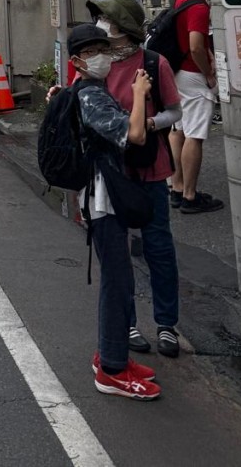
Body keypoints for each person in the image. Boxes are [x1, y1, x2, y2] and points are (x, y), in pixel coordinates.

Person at [67, 21, 161, 400]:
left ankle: (113, 354)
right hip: (101, 198)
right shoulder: (90, 95)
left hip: (104, 194)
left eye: (102, 48)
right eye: (92, 52)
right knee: (117, 281)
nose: (102, 56)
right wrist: (139, 93)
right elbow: (134, 134)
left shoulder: (90, 88)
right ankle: (111, 369)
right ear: (77, 61)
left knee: (119, 280)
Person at [89, 0, 183, 360]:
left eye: (108, 21)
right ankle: (125, 321)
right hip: (111, 172)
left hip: (151, 167)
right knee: (117, 251)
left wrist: (149, 122)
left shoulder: (153, 63)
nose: (102, 28)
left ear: (124, 29)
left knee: (159, 246)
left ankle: (166, 325)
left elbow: (175, 112)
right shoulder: (96, 64)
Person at [168, 0, 223, 214]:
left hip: (176, 71)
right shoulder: (199, 7)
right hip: (192, 74)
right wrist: (209, 73)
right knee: (195, 135)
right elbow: (196, 46)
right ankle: (190, 195)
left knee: (178, 129)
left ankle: (177, 187)